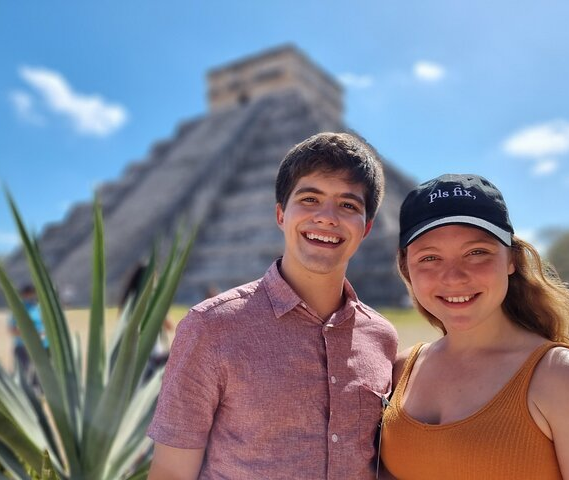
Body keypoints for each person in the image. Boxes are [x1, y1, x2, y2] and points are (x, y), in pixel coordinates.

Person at [147, 132, 398, 479]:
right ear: (281, 214)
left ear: (367, 228)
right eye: (309, 199)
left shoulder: (382, 338)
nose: (327, 217)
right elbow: (171, 473)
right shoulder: (210, 327)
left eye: (348, 205)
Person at [380, 174, 569, 479]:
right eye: (430, 257)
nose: (454, 277)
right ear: (406, 268)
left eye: (477, 253)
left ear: (512, 259)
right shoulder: (400, 369)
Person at [8, 284, 48, 390]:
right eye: (29, 294)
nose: (31, 296)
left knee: (40, 375)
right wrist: (32, 334)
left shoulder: (38, 307)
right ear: (24, 295)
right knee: (24, 374)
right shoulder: (18, 308)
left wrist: (43, 334)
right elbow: (13, 329)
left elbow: (45, 325)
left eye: (33, 293)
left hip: (41, 346)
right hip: (23, 346)